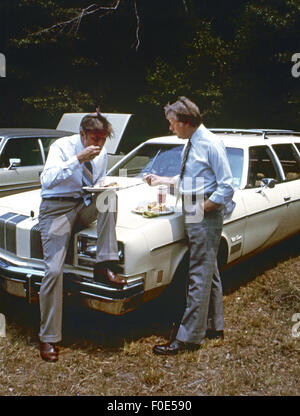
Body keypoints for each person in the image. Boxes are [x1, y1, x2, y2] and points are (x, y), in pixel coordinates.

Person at [144, 97, 235, 355]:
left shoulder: (209, 144)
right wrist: (161, 180)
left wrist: (200, 208)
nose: (170, 128)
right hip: (195, 208)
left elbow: (226, 186)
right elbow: (190, 179)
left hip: (204, 213)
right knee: (209, 269)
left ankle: (189, 338)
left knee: (198, 273)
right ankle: (214, 325)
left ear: (185, 122)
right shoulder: (192, 142)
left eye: (172, 124)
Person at [38, 110, 125, 362]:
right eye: (94, 138)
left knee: (109, 197)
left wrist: (103, 187)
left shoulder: (102, 153)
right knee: (53, 271)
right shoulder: (62, 147)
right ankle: (49, 337)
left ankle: (104, 263)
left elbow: (95, 184)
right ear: (82, 134)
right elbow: (47, 181)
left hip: (82, 204)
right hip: (57, 208)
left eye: (102, 139)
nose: (98, 145)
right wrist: (78, 158)